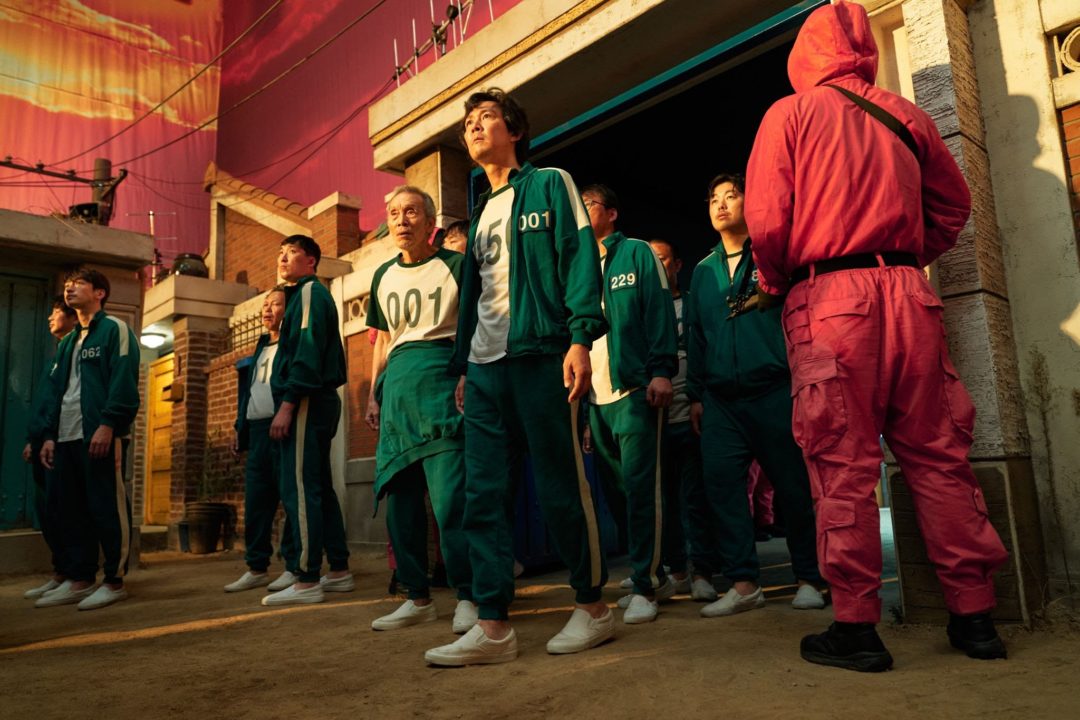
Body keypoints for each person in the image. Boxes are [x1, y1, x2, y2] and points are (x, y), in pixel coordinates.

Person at [745, 0, 1009, 671]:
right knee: (939, 457)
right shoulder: (907, 115)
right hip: (909, 295)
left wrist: (777, 280)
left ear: (804, 53)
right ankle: (976, 619)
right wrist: (906, 256)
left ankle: (857, 628)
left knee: (842, 466)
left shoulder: (789, 114)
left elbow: (767, 220)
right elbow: (954, 204)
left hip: (829, 298)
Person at [424, 87, 611, 666]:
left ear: (515, 130)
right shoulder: (480, 211)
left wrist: (579, 338)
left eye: (487, 118)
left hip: (540, 355)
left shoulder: (550, 183)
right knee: (482, 494)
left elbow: (578, 257)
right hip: (484, 369)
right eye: (469, 123)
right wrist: (463, 365)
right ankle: (493, 624)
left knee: (559, 485)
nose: (475, 128)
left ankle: (592, 605)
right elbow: (475, 297)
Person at [686, 174, 824, 620]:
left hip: (773, 388)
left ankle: (810, 578)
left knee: (794, 486)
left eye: (731, 195)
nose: (721, 204)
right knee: (723, 490)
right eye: (714, 198)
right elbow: (697, 337)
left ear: (751, 201)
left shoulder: (770, 256)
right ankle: (744, 583)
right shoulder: (703, 271)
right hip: (721, 399)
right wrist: (696, 395)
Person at [365, 185, 476, 634]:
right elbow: (383, 340)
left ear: (431, 223)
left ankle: (469, 594)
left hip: (442, 386)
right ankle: (417, 596)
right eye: (394, 213)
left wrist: (466, 372)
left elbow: (476, 325)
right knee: (401, 505)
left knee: (451, 504)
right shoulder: (382, 276)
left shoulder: (456, 266)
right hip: (396, 394)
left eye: (411, 212)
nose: (401, 220)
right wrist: (373, 393)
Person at [578, 183, 677, 624]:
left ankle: (646, 585)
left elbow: (658, 309)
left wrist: (661, 369)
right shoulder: (578, 265)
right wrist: (585, 411)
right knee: (617, 496)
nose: (582, 212)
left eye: (589, 204)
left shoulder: (636, 253)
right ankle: (651, 572)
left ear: (612, 212)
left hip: (635, 389)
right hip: (596, 399)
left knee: (641, 490)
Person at [37, 268, 139, 610]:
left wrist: (109, 424)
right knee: (72, 510)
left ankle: (114, 581)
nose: (69, 288)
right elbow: (57, 393)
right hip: (65, 437)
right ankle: (80, 579)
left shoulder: (114, 329)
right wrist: (49, 435)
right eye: (67, 284)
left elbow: (124, 381)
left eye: (78, 283)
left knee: (107, 506)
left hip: (98, 434)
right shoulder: (68, 343)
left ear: (99, 293)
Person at [262, 235, 353, 607]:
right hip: (313, 400)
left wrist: (288, 402)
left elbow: (307, 351)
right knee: (317, 487)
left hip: (306, 401)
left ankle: (306, 577)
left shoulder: (310, 292)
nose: (283, 258)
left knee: (300, 488)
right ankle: (339, 569)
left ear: (311, 260)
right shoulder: (302, 295)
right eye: (280, 252)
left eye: (292, 252)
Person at [648, 239, 720, 603]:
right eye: (650, 261)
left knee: (696, 496)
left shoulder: (691, 302)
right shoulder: (643, 304)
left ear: (677, 264)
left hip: (688, 409)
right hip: (652, 416)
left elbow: (706, 346)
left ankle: (702, 571)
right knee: (663, 499)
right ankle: (675, 570)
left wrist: (698, 396)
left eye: (662, 259)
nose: (656, 266)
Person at [224, 287, 299, 593]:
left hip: (282, 427)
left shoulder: (293, 344)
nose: (267, 309)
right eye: (265, 305)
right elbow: (250, 390)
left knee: (291, 498)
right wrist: (239, 426)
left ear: (289, 310)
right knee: (256, 502)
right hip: (256, 431)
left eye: (275, 304)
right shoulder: (260, 345)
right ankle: (256, 567)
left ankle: (294, 566)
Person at [22, 297, 77, 600]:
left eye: (56, 312)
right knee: (45, 511)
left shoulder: (73, 352)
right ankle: (60, 572)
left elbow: (61, 401)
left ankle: (73, 573)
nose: (49, 318)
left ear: (72, 318)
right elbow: (45, 401)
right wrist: (33, 439)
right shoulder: (56, 355)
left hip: (57, 442)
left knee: (61, 510)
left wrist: (49, 436)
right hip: (41, 441)